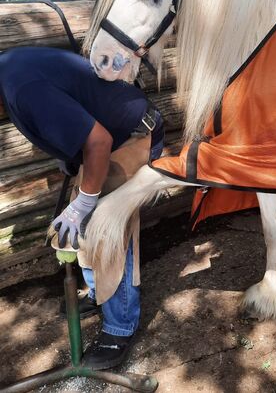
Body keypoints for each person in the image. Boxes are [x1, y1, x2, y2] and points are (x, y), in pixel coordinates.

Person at [0, 46, 164, 370]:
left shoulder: (22, 88)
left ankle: (120, 327)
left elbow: (98, 142)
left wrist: (86, 202)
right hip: (106, 139)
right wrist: (69, 152)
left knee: (106, 228)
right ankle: (98, 291)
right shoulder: (9, 71)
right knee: (83, 226)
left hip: (132, 135)